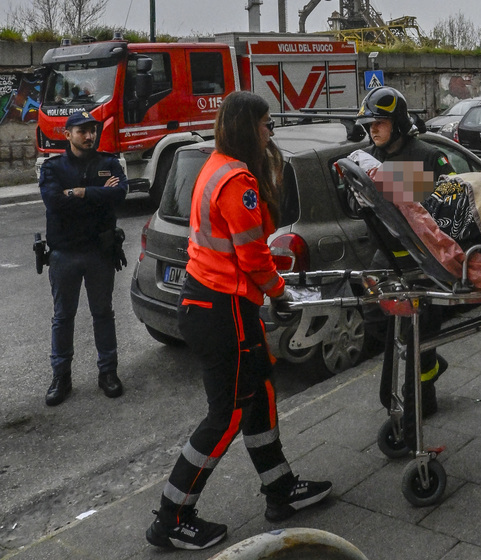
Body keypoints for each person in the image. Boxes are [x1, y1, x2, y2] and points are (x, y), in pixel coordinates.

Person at [146, 91, 332, 551]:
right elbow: (252, 255)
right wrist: (281, 292)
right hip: (222, 308)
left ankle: (280, 488)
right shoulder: (238, 181)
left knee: (260, 395)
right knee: (226, 415)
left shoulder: (214, 165)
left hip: (216, 304)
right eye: (267, 124)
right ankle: (171, 517)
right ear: (249, 127)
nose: (271, 132)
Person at [356, 86, 456, 417]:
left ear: (397, 122)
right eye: (369, 124)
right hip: (385, 256)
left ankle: (421, 396)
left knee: (420, 336)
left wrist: (392, 187)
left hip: (422, 260)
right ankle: (423, 366)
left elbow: (454, 205)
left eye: (379, 123)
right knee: (374, 318)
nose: (373, 130)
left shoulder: (429, 156)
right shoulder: (370, 156)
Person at [39, 110, 128, 406]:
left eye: (92, 130)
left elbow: (121, 194)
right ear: (67, 135)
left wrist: (79, 193)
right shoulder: (54, 167)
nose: (89, 136)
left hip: (100, 253)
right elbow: (53, 201)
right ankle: (61, 377)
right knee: (63, 317)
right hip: (64, 253)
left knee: (103, 314)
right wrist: (97, 194)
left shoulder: (109, 162)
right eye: (82, 131)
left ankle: (108, 373)